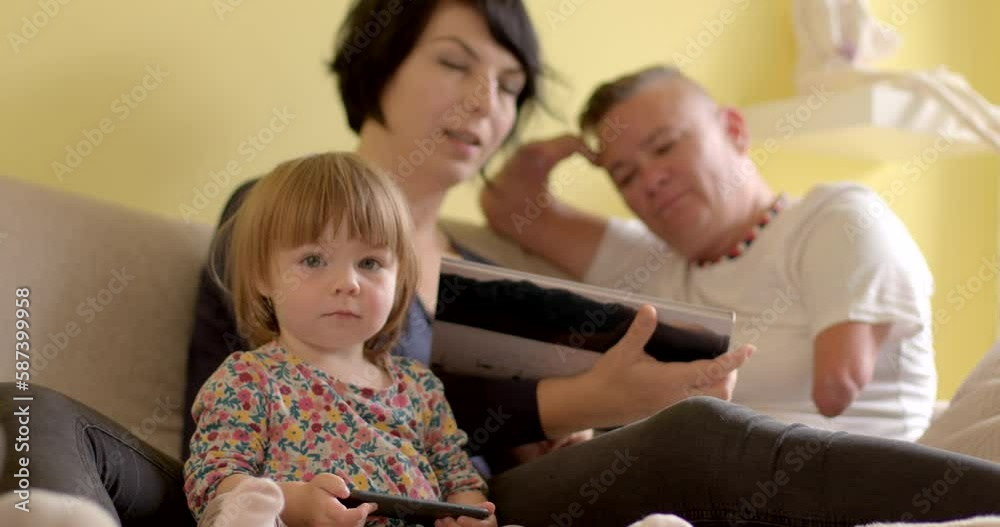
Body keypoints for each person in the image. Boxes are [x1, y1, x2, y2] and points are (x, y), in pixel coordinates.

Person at [3, 2, 999, 527]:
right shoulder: (280, 205)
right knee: (24, 407)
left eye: (510, 83)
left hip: (444, 502)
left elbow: (471, 439)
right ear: (379, 64)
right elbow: (223, 399)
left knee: (698, 429)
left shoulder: (485, 266)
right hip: (247, 496)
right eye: (454, 60)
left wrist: (580, 412)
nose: (486, 97)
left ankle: (974, 495)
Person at [480, 65, 938, 441]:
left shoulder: (834, 217)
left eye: (664, 146)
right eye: (625, 175)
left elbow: (837, 389)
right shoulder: (650, 261)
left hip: (839, 478)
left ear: (734, 130)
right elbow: (508, 206)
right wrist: (570, 147)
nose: (650, 180)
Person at [185, 152, 497, 527]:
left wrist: (470, 513)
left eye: (370, 263)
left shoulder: (419, 387)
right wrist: (294, 502)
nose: (348, 283)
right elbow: (213, 479)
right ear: (262, 277)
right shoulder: (248, 379)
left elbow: (459, 477)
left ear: (399, 281)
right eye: (314, 260)